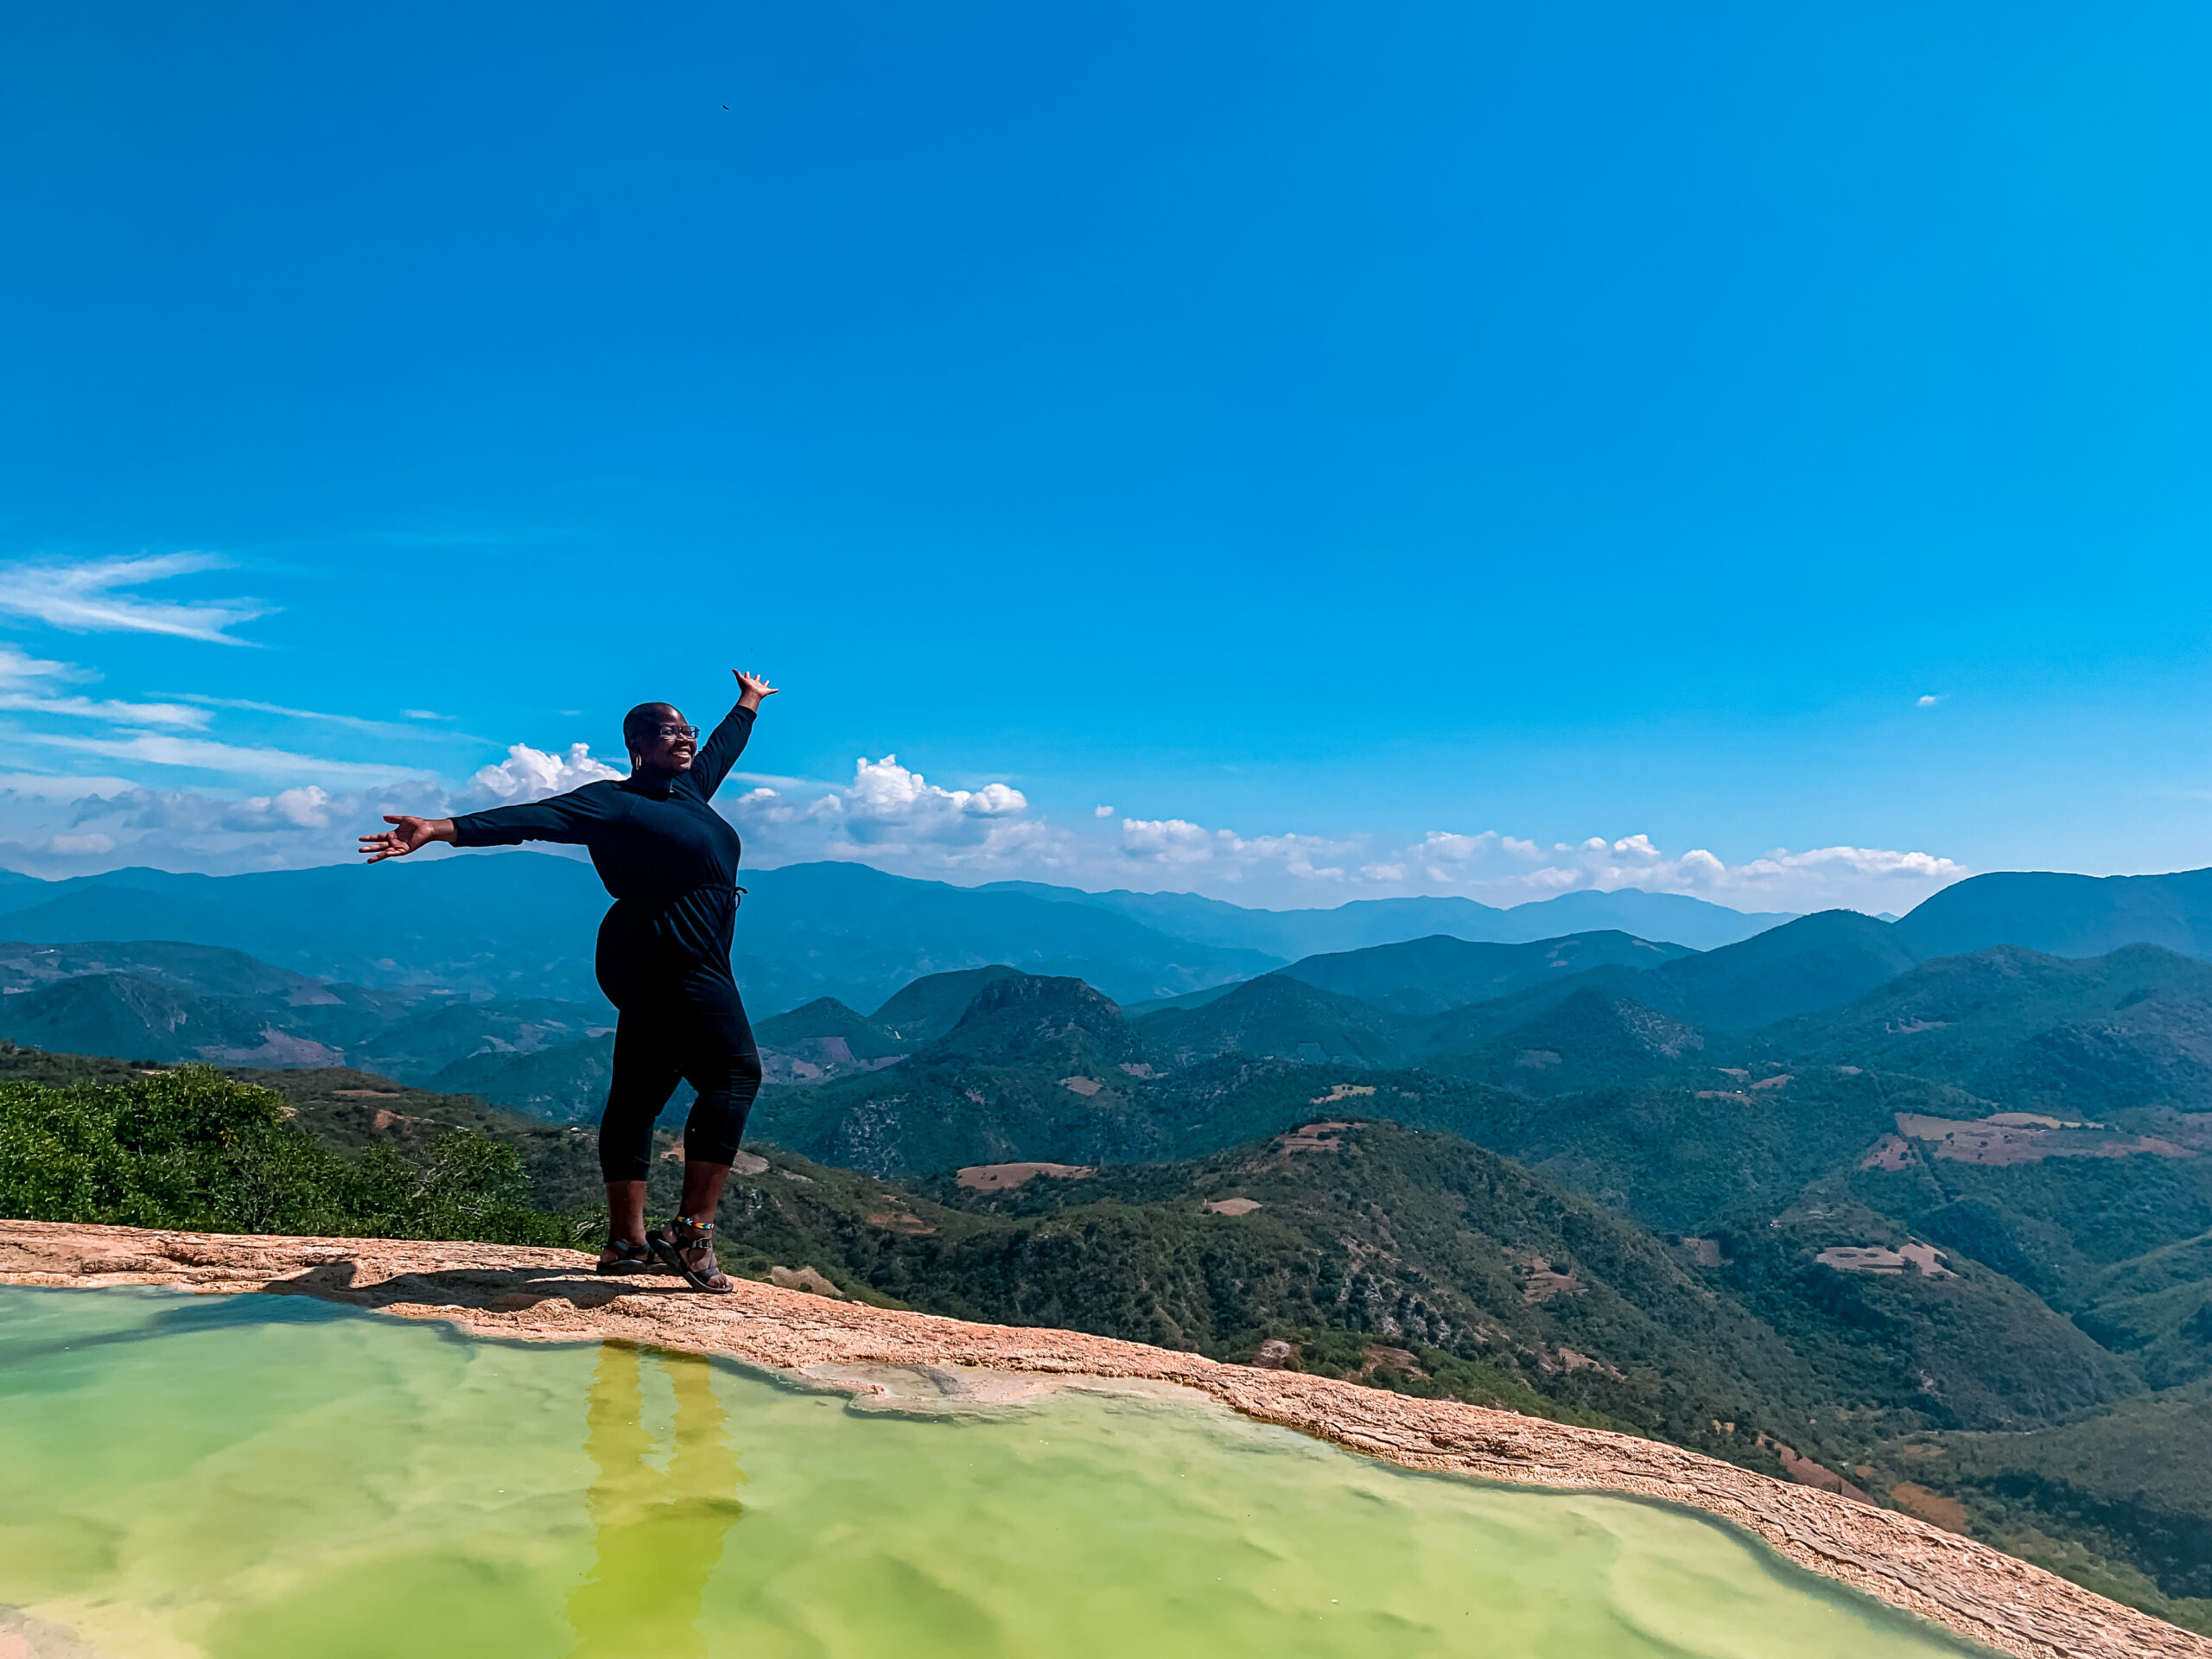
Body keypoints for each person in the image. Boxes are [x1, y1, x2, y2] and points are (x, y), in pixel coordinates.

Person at [359, 670, 779, 1293]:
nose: (686, 740)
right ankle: (693, 1235)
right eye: (669, 732)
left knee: (640, 1092)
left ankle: (624, 1245)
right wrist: (441, 829)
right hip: (666, 954)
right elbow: (534, 818)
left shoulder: (690, 791)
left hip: (670, 955)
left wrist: (747, 702)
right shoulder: (613, 801)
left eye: (686, 730)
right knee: (736, 1074)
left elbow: (722, 747)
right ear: (637, 744)